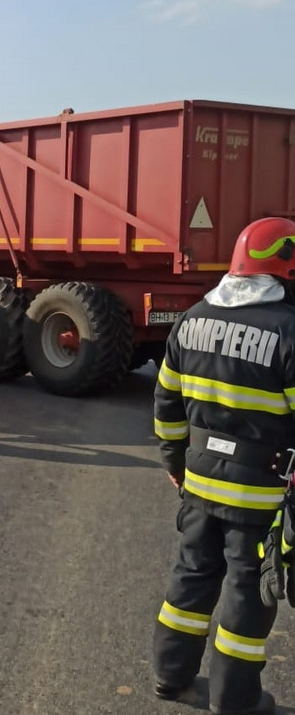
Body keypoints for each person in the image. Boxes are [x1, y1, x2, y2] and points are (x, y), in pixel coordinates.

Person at [152, 216, 295, 714]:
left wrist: (175, 461)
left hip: (198, 481)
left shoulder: (191, 320)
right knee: (247, 589)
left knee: (191, 574)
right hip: (258, 494)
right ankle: (235, 700)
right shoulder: (289, 331)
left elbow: (166, 403)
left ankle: (170, 676)